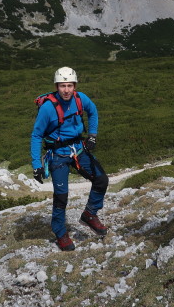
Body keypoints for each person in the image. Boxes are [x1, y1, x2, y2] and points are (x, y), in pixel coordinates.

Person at [31, 66, 109, 251]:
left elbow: (93, 112)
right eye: (62, 86)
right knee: (61, 197)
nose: (66, 90)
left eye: (69, 85)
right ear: (57, 86)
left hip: (78, 150)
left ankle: (89, 214)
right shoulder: (48, 108)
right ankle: (60, 233)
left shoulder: (81, 99)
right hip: (57, 155)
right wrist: (36, 165)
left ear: (74, 86)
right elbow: (36, 135)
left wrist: (92, 135)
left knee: (101, 180)